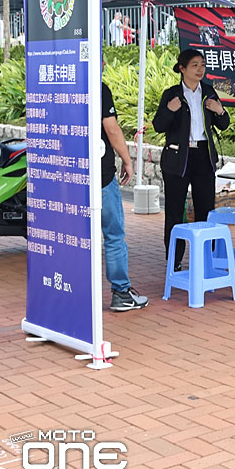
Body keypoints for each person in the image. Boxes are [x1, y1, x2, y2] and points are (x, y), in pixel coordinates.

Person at [153, 49, 230, 269]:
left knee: (206, 209)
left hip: (203, 156)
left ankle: (206, 260)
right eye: (195, 65)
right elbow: (159, 125)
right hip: (178, 157)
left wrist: (220, 110)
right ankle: (174, 261)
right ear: (182, 68)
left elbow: (224, 124)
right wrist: (170, 109)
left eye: (202, 65)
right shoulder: (172, 94)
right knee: (175, 211)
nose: (200, 69)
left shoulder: (208, 92)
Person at [101, 75, 149, 311]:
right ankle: (121, 293)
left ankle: (72, 292)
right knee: (114, 235)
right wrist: (127, 161)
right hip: (99, 177)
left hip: (67, 178)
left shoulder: (55, 86)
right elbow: (111, 128)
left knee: (74, 239)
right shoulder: (97, 88)